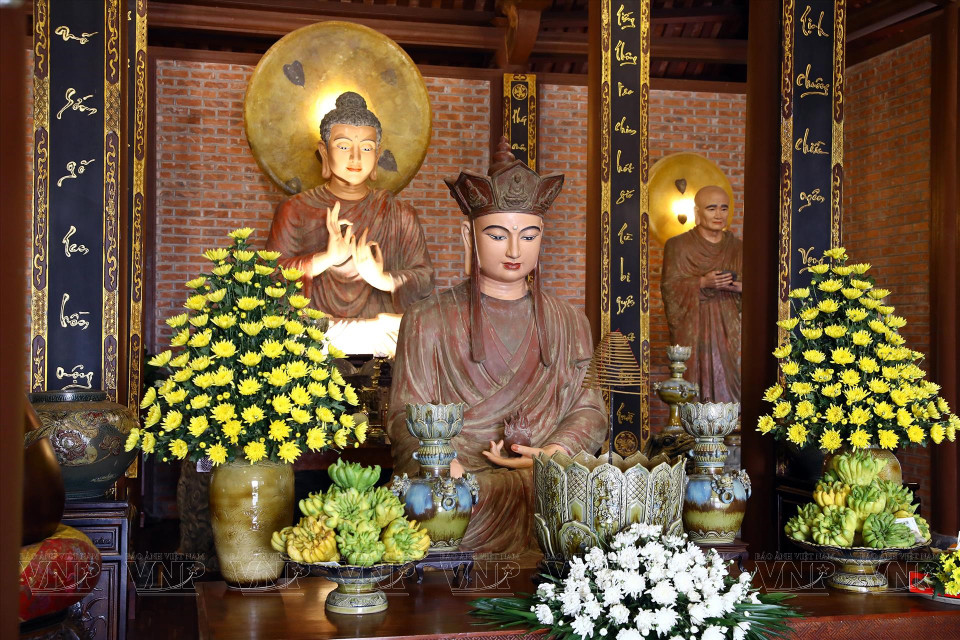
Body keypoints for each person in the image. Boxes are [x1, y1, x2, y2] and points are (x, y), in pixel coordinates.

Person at [387, 139, 607, 556]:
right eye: (497, 234)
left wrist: (552, 452)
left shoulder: (568, 321)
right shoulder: (427, 318)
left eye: (528, 236)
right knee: (437, 506)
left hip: (545, 483)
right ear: (468, 236)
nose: (513, 250)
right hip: (459, 488)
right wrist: (443, 465)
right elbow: (403, 414)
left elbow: (589, 409)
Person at [265, 92, 434, 354]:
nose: (355, 158)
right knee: (288, 333)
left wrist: (383, 279)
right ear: (324, 151)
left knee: (416, 332)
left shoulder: (399, 213)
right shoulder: (294, 209)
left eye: (366, 148)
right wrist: (325, 259)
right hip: (318, 330)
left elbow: (424, 280)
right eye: (343, 146)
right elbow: (270, 275)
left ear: (377, 156)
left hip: (377, 332)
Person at [660, 185, 742, 403]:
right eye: (711, 208)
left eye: (724, 209)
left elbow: (755, 289)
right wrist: (703, 282)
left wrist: (739, 287)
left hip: (730, 323)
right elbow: (669, 288)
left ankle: (731, 424)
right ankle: (693, 425)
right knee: (693, 380)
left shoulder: (738, 248)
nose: (718, 215)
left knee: (733, 375)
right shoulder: (678, 245)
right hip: (694, 324)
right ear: (697, 213)